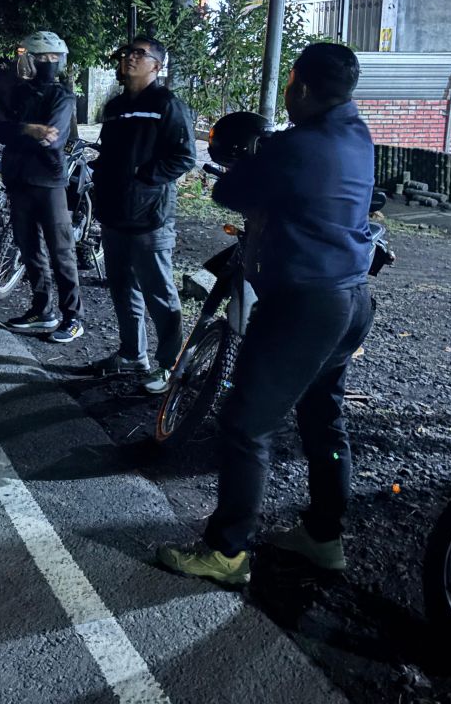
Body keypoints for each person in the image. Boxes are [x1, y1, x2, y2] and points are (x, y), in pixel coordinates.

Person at [157, 42, 376, 586]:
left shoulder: (297, 145)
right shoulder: (358, 133)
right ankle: (324, 537)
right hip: (352, 299)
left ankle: (227, 551)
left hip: (303, 304)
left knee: (245, 424)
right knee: (323, 417)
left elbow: (231, 188)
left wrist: (257, 153)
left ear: (298, 86)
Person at [86, 36, 196, 394]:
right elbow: (110, 153)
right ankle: (132, 354)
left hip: (150, 217)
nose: (129, 58)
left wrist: (143, 177)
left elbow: (184, 157)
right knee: (122, 288)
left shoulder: (166, 104)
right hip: (115, 215)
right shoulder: (116, 106)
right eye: (126, 53)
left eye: (139, 54)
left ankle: (168, 365)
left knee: (159, 293)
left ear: (156, 66)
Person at [0, 31, 84, 344]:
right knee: (28, 248)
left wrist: (21, 132)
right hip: (18, 181)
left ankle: (73, 317)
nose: (23, 60)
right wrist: (29, 129)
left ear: (49, 59)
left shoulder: (62, 96)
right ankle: (42, 308)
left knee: (61, 252)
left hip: (48, 184)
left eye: (28, 54)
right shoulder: (19, 93)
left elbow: (53, 139)